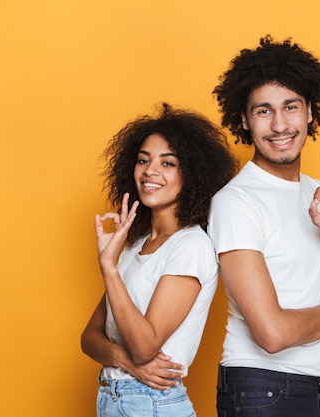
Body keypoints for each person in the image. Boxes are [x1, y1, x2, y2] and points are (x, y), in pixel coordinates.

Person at [207, 35, 320, 417]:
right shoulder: (236, 202)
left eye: (290, 107)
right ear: (244, 119)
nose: (279, 124)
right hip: (260, 389)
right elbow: (272, 335)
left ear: (309, 111)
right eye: (263, 111)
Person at [81, 103, 237, 417]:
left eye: (168, 163)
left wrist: (108, 266)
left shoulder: (190, 245)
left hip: (151, 402)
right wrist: (123, 360)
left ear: (191, 174)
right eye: (143, 160)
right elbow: (89, 338)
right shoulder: (133, 244)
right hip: (114, 397)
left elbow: (144, 347)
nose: (150, 171)